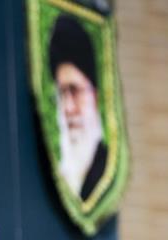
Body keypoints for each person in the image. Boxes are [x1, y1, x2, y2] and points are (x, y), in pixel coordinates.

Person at [49, 14, 108, 201]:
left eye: (74, 91)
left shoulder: (107, 168)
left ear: (96, 95)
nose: (68, 108)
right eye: (61, 93)